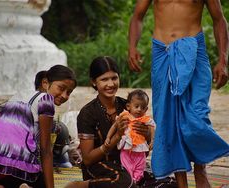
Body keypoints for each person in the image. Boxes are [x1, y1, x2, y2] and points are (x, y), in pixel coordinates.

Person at [128, 1, 229, 188]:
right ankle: (181, 182)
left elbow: (219, 19)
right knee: (168, 120)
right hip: (162, 52)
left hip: (194, 51)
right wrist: (132, 47)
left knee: (197, 116)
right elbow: (137, 16)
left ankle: (201, 170)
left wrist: (223, 59)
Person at [65, 56, 151, 188]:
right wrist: (116, 137)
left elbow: (143, 147)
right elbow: (87, 160)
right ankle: (79, 186)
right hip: (98, 167)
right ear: (94, 82)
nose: (111, 84)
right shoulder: (87, 113)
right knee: (124, 181)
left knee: (166, 184)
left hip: (126, 164)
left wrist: (147, 134)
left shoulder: (128, 106)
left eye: (114, 78)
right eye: (104, 79)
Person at [0, 64, 77, 188]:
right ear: (46, 83)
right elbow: (46, 150)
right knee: (42, 179)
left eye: (69, 92)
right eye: (61, 88)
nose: (64, 95)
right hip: (17, 170)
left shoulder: (20, 95)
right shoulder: (46, 100)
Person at [105, 89, 156, 185]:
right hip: (126, 150)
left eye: (143, 107)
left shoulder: (145, 119)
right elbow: (114, 126)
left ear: (146, 109)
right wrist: (108, 137)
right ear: (128, 106)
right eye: (136, 106)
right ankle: (130, 182)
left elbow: (152, 127)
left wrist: (152, 140)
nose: (139, 109)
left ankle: (135, 182)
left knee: (140, 169)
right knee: (127, 169)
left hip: (140, 151)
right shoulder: (124, 116)